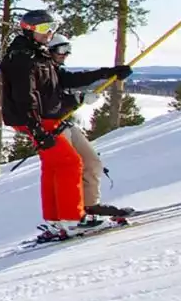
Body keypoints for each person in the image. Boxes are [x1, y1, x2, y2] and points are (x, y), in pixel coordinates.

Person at [0, 11, 132, 240]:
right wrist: (37, 129)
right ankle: (72, 219)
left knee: (57, 167)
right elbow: (25, 97)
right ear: (29, 30)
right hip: (38, 121)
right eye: (43, 29)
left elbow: (66, 80)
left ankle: (58, 218)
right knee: (70, 163)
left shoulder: (38, 54)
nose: (49, 33)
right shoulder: (22, 57)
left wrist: (108, 73)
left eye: (50, 27)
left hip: (47, 119)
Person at [46, 35, 131, 220]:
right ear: (48, 50)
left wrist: (109, 73)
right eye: (61, 49)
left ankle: (91, 206)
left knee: (92, 162)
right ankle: (72, 213)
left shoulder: (56, 71)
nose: (66, 54)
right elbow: (48, 101)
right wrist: (77, 99)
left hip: (64, 123)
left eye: (68, 49)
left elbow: (77, 79)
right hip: (52, 127)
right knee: (70, 168)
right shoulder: (42, 71)